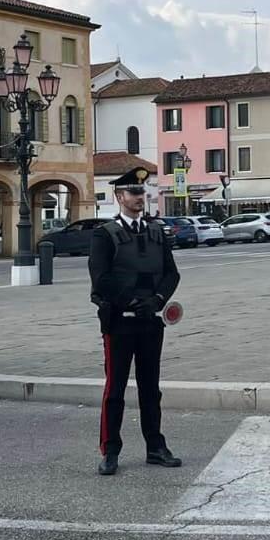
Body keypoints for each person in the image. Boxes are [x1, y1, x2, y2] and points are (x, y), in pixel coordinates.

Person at [89, 167, 181, 476]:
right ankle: (110, 450)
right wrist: (129, 302)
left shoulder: (156, 232)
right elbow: (101, 280)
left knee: (150, 389)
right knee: (115, 389)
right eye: (133, 193)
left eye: (143, 192)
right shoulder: (104, 235)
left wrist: (156, 301)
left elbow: (171, 273)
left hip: (149, 322)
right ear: (119, 197)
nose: (140, 198)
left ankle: (155, 446)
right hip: (119, 322)